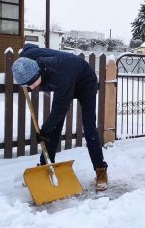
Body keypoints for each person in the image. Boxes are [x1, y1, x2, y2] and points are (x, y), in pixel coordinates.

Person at [12, 44, 108, 191]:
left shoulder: (60, 75)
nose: (31, 88)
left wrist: (43, 131)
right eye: (27, 85)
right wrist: (47, 130)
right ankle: (45, 167)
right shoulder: (27, 60)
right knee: (54, 128)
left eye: (32, 83)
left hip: (85, 82)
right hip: (67, 77)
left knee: (89, 127)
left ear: (39, 73)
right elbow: (28, 47)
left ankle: (100, 170)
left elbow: (60, 109)